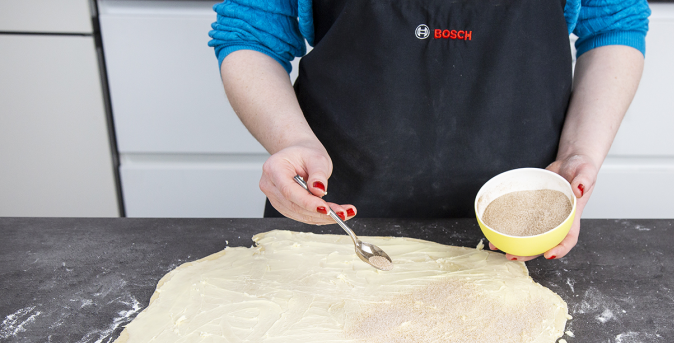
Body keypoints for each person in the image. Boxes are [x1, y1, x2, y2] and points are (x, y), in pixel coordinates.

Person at [209, 0, 649, 261]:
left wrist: (579, 151)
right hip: (338, 216)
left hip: (520, 229)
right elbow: (252, 32)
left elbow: (613, 23)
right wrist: (291, 141)